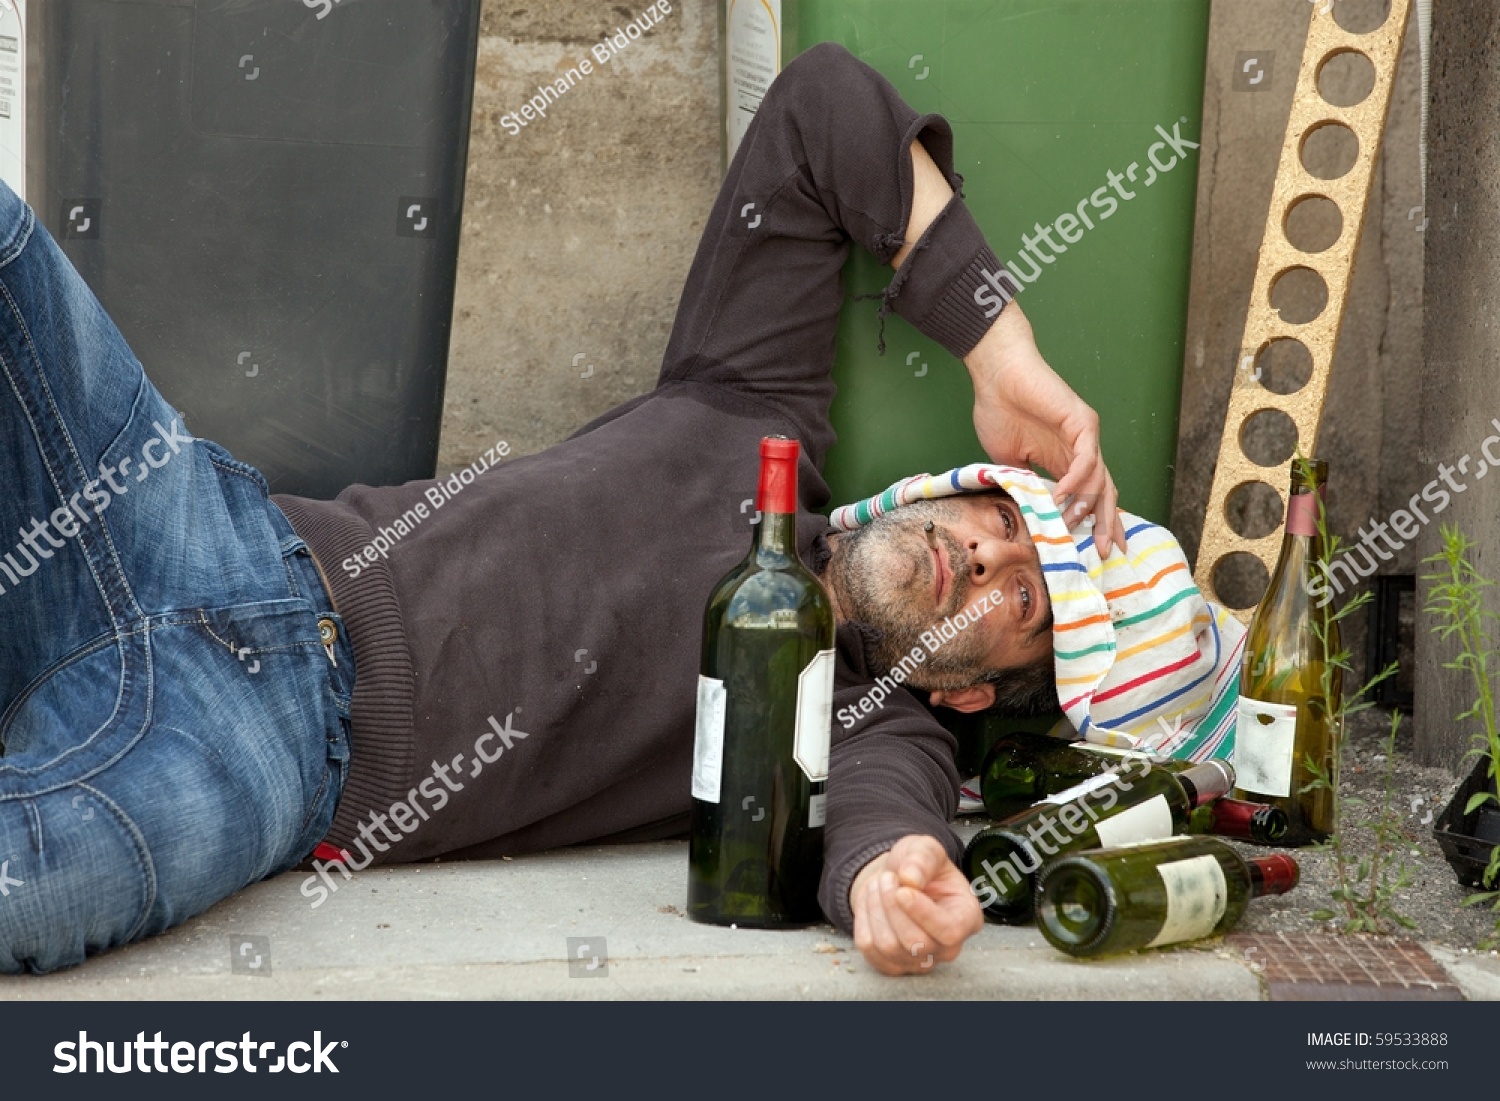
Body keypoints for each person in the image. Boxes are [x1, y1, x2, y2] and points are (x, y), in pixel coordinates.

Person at [0, 43, 1121, 978]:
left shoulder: (862, 722)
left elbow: (885, 830)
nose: (984, 552)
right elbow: (822, 102)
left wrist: (896, 882)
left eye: (1024, 595)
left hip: (270, 755)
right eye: (1008, 516)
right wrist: (998, 348)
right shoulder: (754, 406)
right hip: (206, 528)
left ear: (971, 687)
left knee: (26, 894)